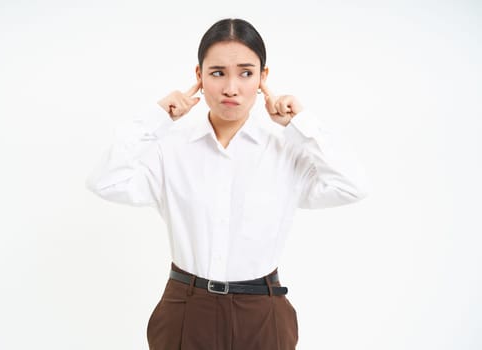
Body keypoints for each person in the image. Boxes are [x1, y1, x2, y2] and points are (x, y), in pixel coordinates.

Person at [86, 18, 369, 350]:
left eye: (246, 73)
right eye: (218, 73)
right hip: (186, 309)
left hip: (262, 312)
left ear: (263, 78)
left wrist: (301, 124)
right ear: (199, 77)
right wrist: (157, 118)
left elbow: (353, 185)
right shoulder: (171, 150)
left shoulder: (286, 151)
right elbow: (104, 181)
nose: (231, 88)